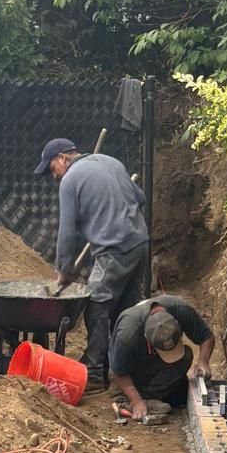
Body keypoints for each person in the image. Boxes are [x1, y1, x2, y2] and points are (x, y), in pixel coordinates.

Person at [34, 136, 149, 381]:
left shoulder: (70, 181)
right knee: (125, 312)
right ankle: (126, 366)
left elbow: (66, 232)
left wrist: (64, 271)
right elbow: (141, 199)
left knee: (96, 305)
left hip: (114, 249)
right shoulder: (111, 162)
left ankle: (96, 371)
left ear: (62, 158)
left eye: (52, 168)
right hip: (140, 243)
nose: (54, 176)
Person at [110, 294, 214, 423]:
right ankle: (125, 399)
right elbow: (119, 372)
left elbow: (206, 337)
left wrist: (203, 361)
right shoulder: (127, 336)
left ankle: (150, 395)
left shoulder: (180, 310)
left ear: (176, 322)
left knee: (185, 358)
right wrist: (136, 401)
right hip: (130, 370)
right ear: (146, 337)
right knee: (165, 405)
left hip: (152, 362)